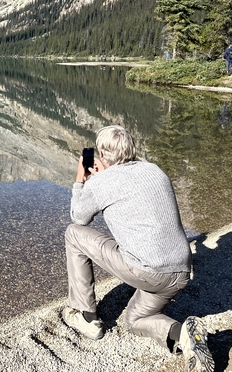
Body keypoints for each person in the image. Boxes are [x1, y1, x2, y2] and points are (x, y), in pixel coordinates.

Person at [63, 125, 214, 372]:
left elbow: (78, 217)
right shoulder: (155, 171)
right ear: (131, 148)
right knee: (134, 321)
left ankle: (86, 317)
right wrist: (106, 174)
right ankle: (184, 335)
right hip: (181, 274)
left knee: (73, 234)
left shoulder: (103, 182)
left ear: (101, 153)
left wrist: (81, 180)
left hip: (149, 273)